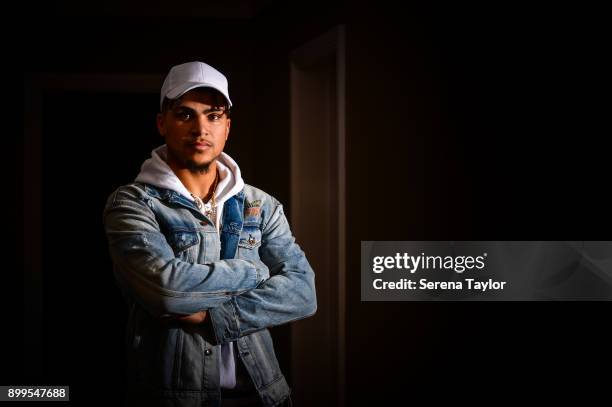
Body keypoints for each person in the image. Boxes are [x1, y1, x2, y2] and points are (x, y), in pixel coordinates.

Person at [103, 61, 317, 407]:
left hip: (265, 395)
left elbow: (304, 293)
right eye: (185, 115)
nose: (200, 128)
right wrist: (258, 272)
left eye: (213, 115)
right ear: (162, 123)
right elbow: (167, 289)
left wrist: (210, 316)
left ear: (227, 127)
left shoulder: (259, 205)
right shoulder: (133, 204)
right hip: (174, 399)